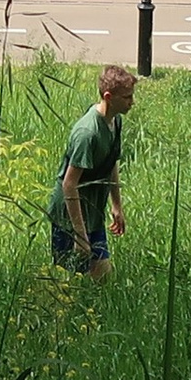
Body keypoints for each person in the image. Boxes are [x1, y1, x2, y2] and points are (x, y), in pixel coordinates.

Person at [49, 64, 135, 278]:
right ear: (108, 96)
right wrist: (80, 235)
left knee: (102, 277)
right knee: (69, 281)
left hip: (93, 213)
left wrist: (117, 206)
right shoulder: (87, 134)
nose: (132, 102)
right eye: (127, 97)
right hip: (70, 216)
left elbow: (111, 162)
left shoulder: (115, 121)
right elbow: (69, 183)